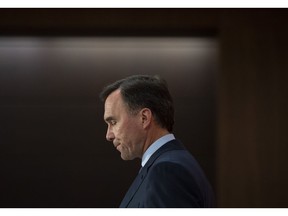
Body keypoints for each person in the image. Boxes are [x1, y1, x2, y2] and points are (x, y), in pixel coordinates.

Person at [100, 74, 214, 208]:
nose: (109, 135)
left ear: (144, 118)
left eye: (113, 122)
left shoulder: (167, 172)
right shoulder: (169, 164)